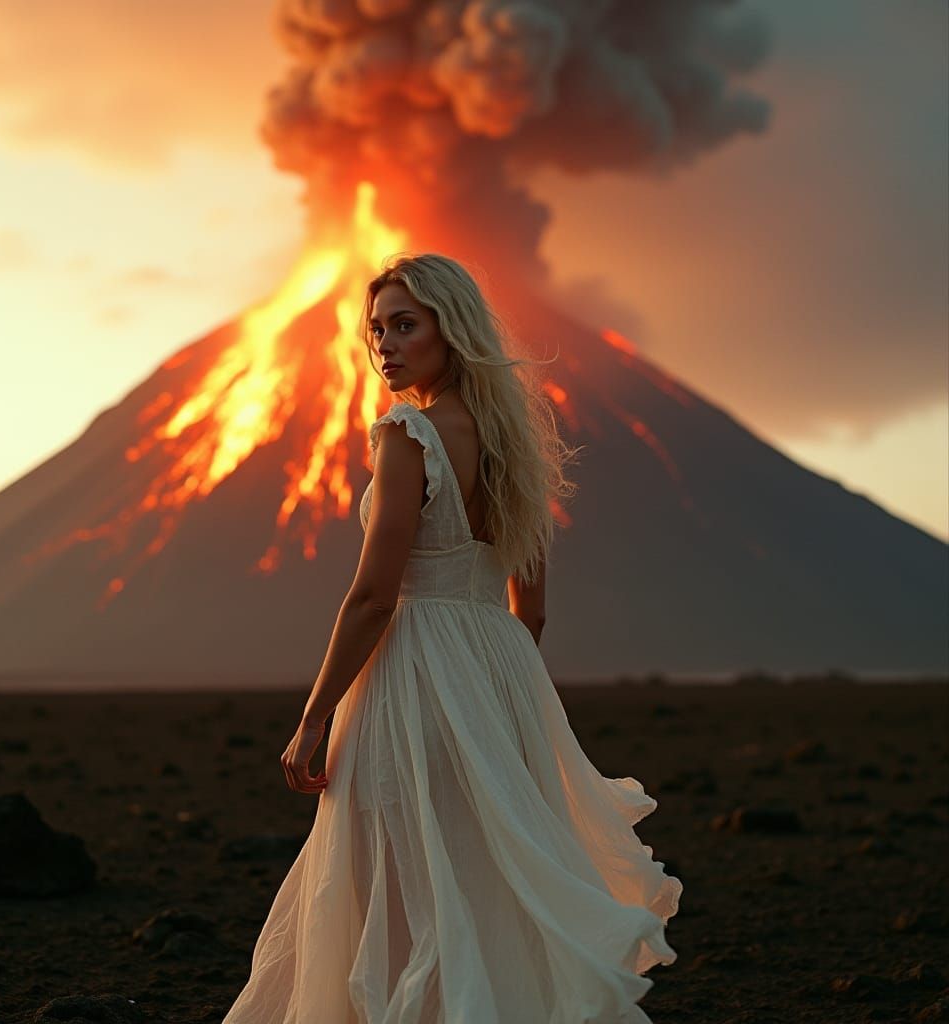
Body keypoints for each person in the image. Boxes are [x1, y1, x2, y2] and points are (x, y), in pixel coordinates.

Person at [222, 253, 682, 1023]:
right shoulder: (516, 444)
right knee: (480, 875)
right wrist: (491, 692)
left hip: (412, 667)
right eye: (376, 330)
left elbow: (373, 596)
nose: (386, 346)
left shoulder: (408, 433)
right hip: (499, 671)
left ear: (451, 330)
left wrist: (313, 718)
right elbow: (529, 609)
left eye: (406, 325)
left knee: (397, 878)